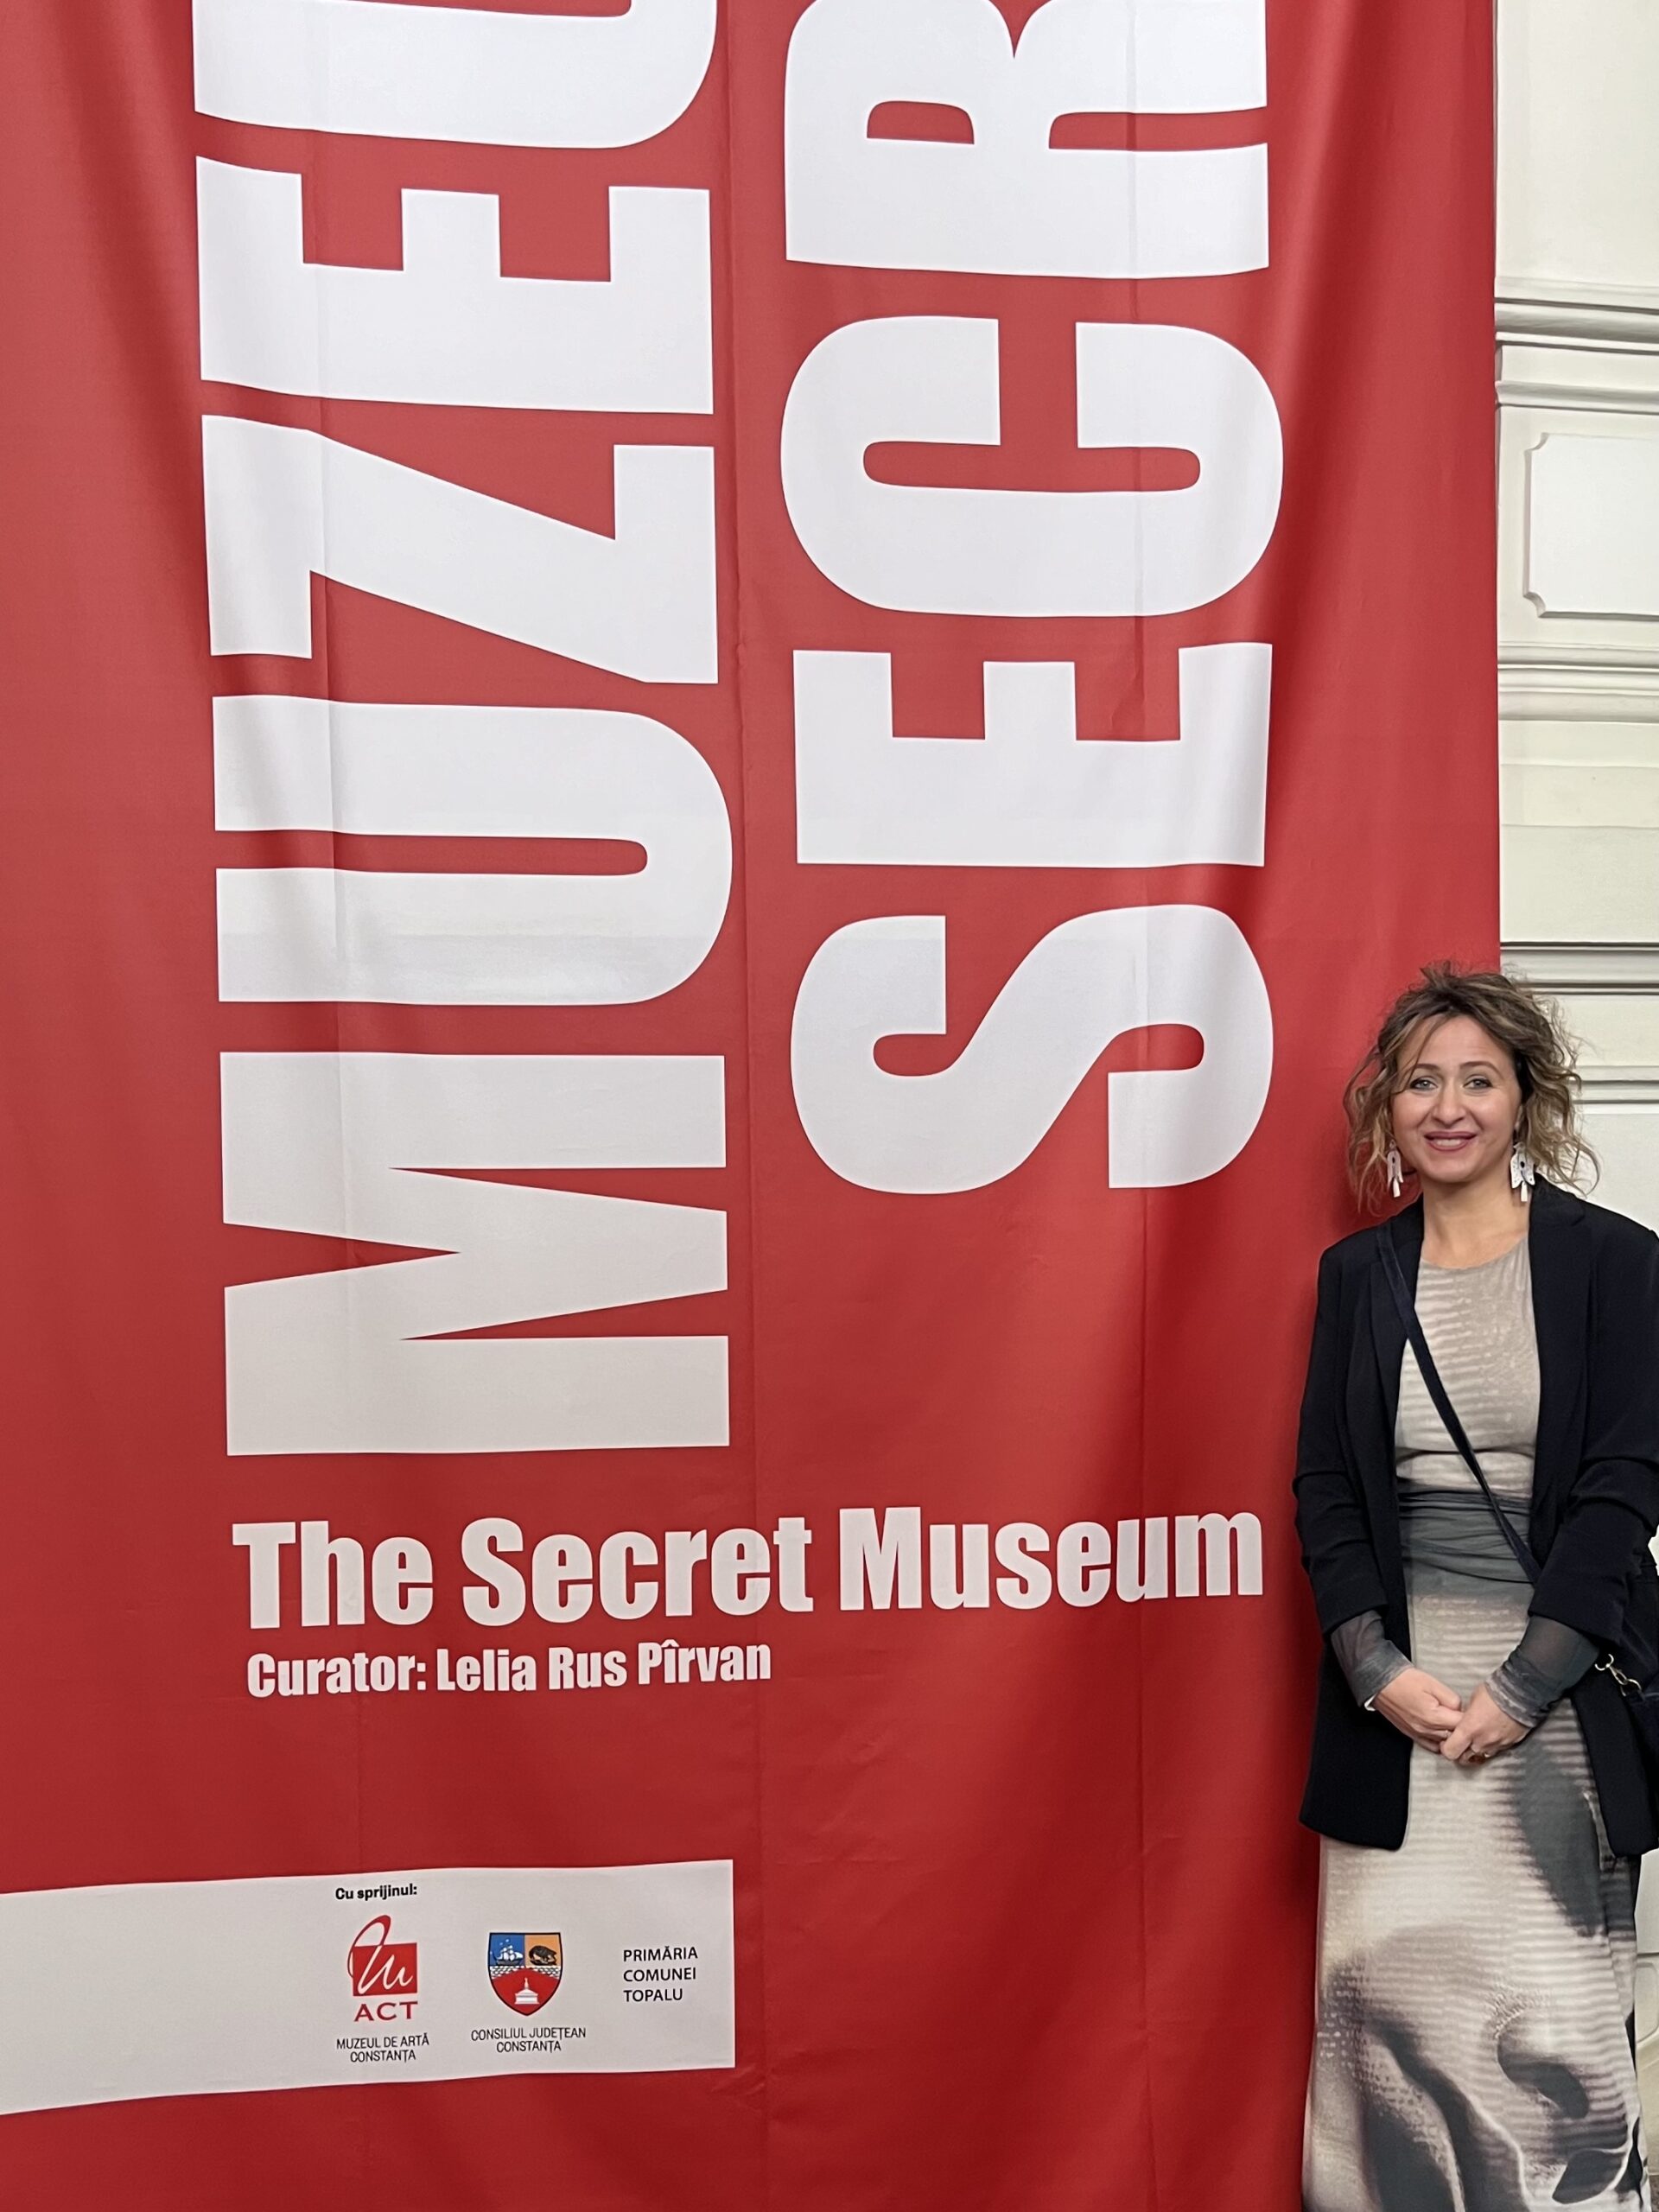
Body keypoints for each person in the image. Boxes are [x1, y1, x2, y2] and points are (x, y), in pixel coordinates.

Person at [1295, 964, 1659, 2210]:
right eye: (1421, 1082)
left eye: (1477, 1080)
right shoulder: (1358, 1276)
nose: (1447, 1107)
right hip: (1395, 1715)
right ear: (1387, 1107)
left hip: (1557, 1704)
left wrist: (1524, 1685)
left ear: (1526, 1099)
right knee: (1387, 2025)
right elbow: (1326, 1491)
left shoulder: (1615, 1262)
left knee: (1555, 2026)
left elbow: (1625, 1483)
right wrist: (1374, 1671)